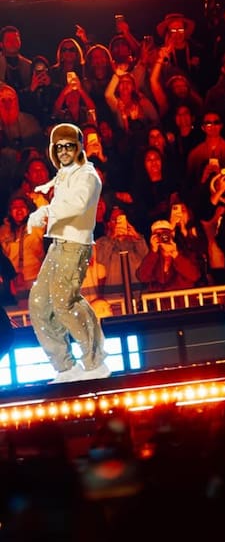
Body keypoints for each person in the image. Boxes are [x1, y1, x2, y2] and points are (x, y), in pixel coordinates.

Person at [26, 122, 111, 383]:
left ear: (79, 147)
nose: (63, 151)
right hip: (58, 244)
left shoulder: (87, 175)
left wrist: (45, 210)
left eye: (69, 146)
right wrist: (47, 190)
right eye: (59, 147)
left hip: (75, 245)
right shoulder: (66, 173)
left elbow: (78, 204)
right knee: (39, 303)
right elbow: (65, 184)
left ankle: (95, 362)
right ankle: (65, 367)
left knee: (65, 302)